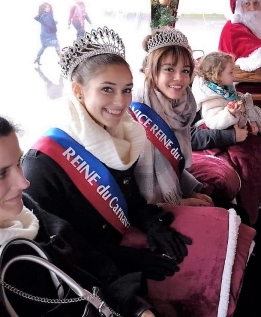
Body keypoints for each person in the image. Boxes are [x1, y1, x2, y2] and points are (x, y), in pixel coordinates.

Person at [22, 27, 192, 292]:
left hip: (123, 242)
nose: (120, 101)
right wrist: (123, 261)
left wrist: (153, 224)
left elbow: (131, 199)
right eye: (107, 89)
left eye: (126, 90)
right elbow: (54, 244)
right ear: (78, 91)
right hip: (89, 277)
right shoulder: (44, 161)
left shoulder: (124, 135)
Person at [0, 116, 156, 316]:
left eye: (19, 163)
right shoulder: (45, 165)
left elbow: (89, 262)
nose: (24, 183)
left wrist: (138, 309)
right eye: (2, 174)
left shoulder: (27, 211)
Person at [194, 51, 261, 196]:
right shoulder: (210, 98)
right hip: (221, 136)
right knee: (246, 154)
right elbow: (214, 122)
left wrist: (247, 122)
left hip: (234, 129)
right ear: (217, 75)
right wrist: (230, 113)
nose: (234, 76)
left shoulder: (225, 89)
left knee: (260, 145)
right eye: (230, 72)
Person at [129, 27, 216, 209]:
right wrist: (179, 203)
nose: (179, 78)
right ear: (149, 71)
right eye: (169, 69)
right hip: (149, 207)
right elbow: (135, 182)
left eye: (185, 71)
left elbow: (174, 162)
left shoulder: (183, 104)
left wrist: (189, 189)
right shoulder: (135, 109)